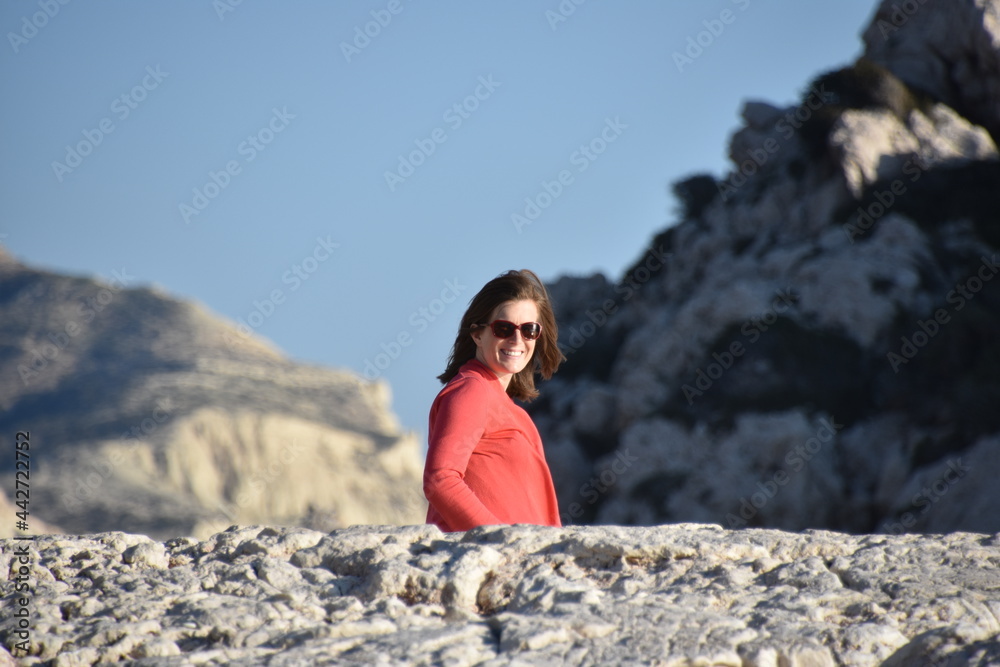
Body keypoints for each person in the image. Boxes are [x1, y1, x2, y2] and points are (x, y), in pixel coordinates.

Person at [423, 269, 565, 532]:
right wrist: (498, 542)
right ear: (477, 334)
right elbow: (440, 479)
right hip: (484, 561)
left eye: (529, 330)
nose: (517, 339)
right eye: (504, 328)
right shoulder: (471, 389)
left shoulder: (510, 410)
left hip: (524, 563)